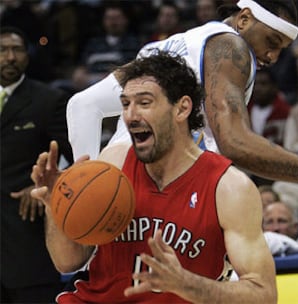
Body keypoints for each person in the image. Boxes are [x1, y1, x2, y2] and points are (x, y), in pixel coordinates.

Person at [66, 0, 298, 195]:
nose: (272, 57)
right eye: (271, 41)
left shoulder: (168, 45)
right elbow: (234, 143)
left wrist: (87, 188)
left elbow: (82, 106)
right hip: (168, 192)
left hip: (124, 188)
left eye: (281, 49)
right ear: (243, 19)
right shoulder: (231, 46)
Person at [30, 51, 277, 303]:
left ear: (182, 108)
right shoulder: (113, 162)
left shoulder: (228, 188)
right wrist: (55, 206)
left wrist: (188, 284)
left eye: (144, 103)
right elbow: (67, 262)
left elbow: (264, 294)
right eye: (125, 104)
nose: (130, 115)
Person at [0, 26, 73, 303]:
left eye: (17, 50)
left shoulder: (49, 101)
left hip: (27, 245)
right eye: (2, 50)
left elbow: (80, 160)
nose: (9, 57)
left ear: (27, 57)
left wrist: (47, 185)